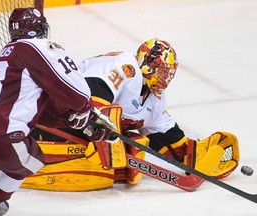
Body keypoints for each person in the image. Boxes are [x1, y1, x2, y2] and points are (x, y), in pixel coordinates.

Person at [25, 38, 239, 190]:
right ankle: (21, 165)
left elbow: (166, 136)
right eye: (163, 71)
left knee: (106, 171)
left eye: (169, 73)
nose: (166, 78)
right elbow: (93, 93)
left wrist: (194, 153)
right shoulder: (126, 67)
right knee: (98, 173)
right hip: (47, 117)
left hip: (80, 129)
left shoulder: (155, 99)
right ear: (148, 64)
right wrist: (108, 138)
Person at [0, 8, 113, 215]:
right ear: (40, 28)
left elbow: (35, 109)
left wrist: (71, 120)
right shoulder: (38, 46)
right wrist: (85, 110)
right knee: (31, 159)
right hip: (0, 131)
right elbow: (77, 91)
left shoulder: (6, 55)